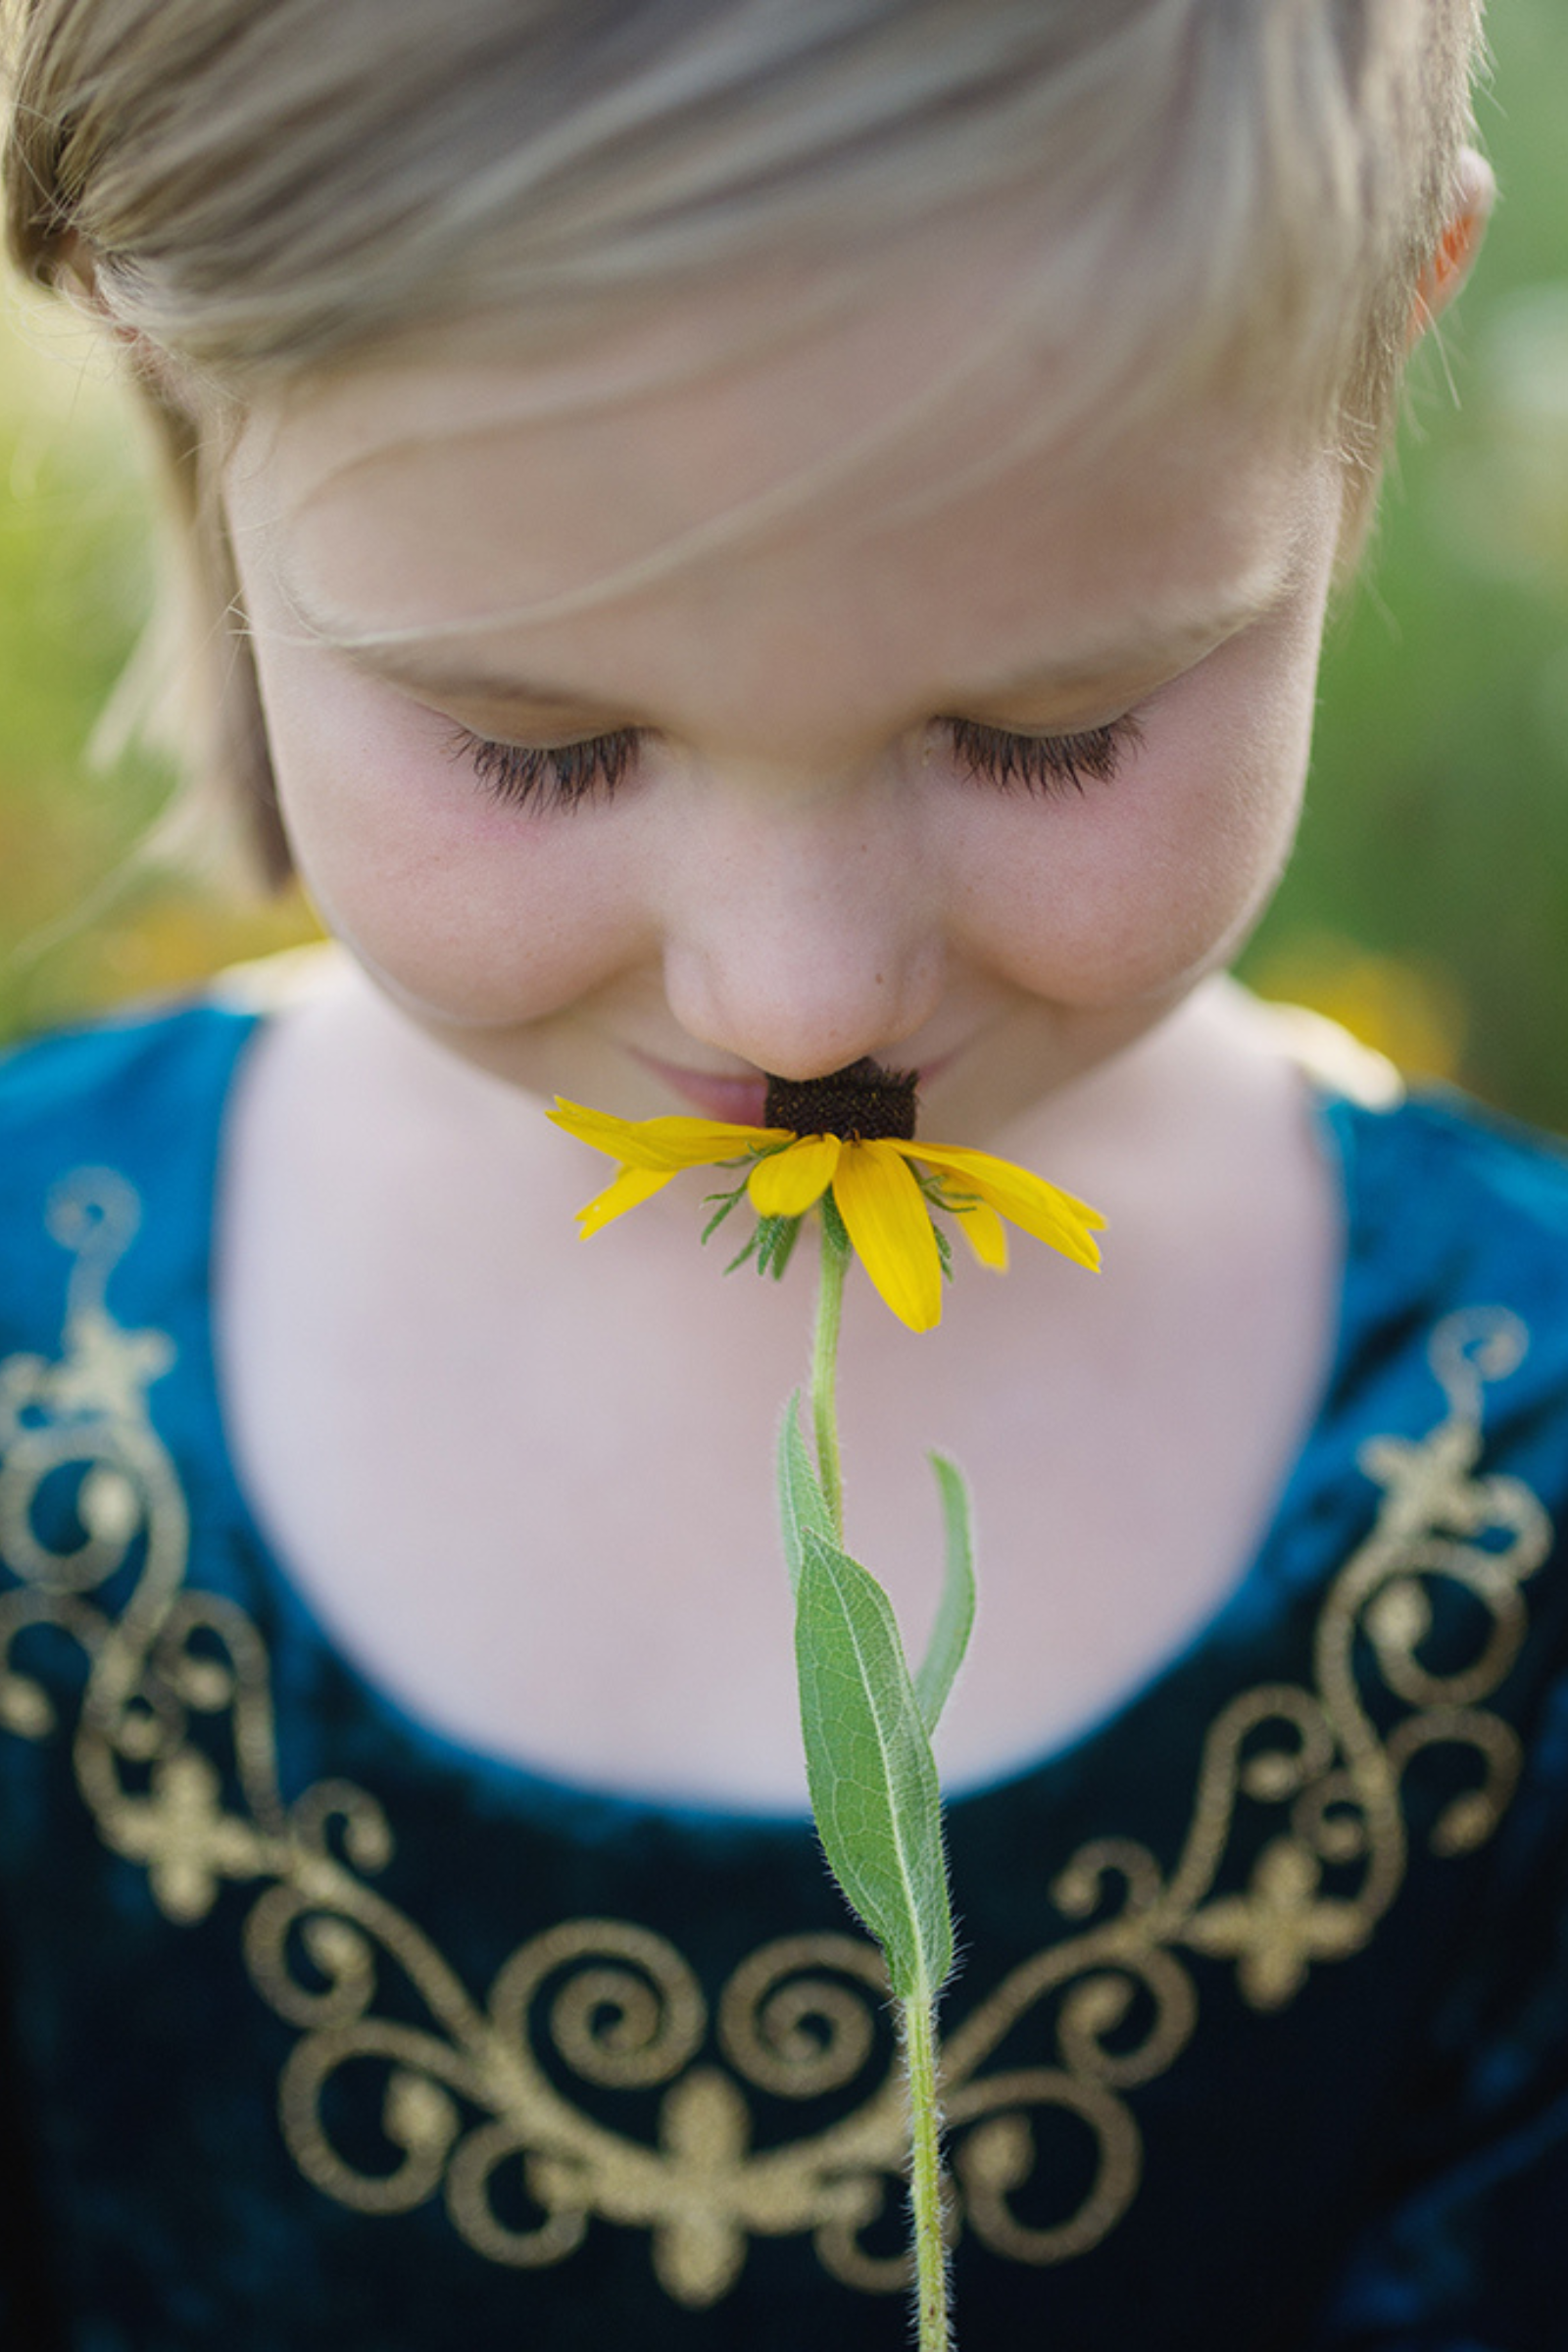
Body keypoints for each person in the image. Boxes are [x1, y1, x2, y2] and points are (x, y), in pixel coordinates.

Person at [1, 1, 1564, 2343]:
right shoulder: (42, 1339)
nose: (799, 1002)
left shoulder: (1504, 1476)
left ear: (1371, 366)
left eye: (1043, 737)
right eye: (539, 749)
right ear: (196, 402)